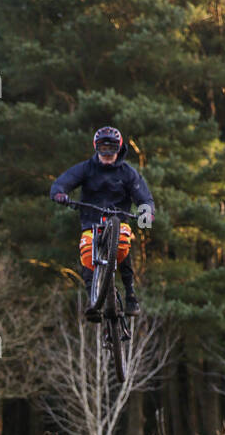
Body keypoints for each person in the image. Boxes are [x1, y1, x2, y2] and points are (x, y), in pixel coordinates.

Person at [50, 126, 155, 322]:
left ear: (119, 149)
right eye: (103, 148)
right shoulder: (85, 169)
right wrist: (60, 194)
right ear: (96, 148)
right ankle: (93, 300)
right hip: (91, 222)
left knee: (122, 243)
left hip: (119, 221)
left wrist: (147, 213)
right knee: (87, 252)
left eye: (112, 149)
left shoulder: (128, 173)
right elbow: (62, 182)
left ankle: (131, 294)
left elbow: (144, 198)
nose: (107, 154)